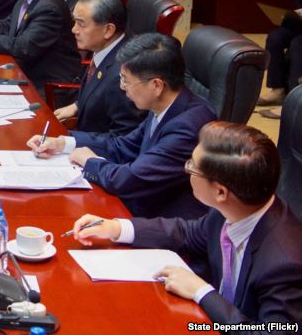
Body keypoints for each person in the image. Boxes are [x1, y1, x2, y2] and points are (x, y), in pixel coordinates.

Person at [71, 122, 302, 325]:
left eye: (192, 166)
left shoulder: (283, 263)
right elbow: (187, 233)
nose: (186, 169)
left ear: (220, 192)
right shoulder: (235, 208)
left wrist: (202, 292)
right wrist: (117, 228)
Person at [28, 32, 214, 219]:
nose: (122, 86)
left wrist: (91, 162)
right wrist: (64, 144)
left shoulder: (188, 126)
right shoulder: (164, 105)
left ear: (156, 85)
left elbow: (132, 179)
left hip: (161, 221)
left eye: (126, 80)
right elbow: (124, 146)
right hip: (139, 204)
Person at [52, 0, 144, 135]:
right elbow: (97, 91)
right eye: (74, 21)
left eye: (81, 24)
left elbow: (122, 139)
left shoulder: (123, 75)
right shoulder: (103, 49)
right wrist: (77, 105)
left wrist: (68, 142)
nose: (74, 30)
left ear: (108, 30)